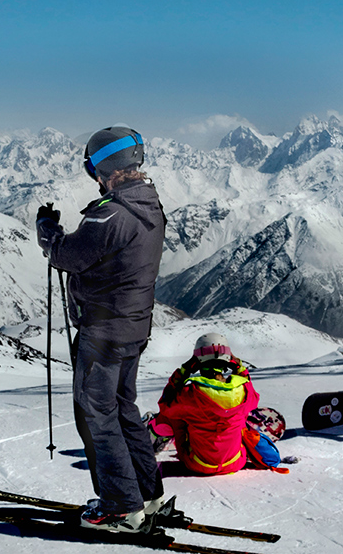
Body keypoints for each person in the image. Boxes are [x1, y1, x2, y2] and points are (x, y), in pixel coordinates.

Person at [36, 126, 166, 534]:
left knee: (98, 415)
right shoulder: (148, 203)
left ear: (102, 166)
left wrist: (46, 228)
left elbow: (66, 255)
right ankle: (147, 495)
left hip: (105, 331)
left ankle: (120, 508)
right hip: (134, 327)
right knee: (123, 408)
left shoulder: (110, 213)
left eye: (91, 166)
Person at [151, 333, 262, 476]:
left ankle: (156, 436)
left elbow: (165, 405)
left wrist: (184, 371)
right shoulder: (244, 390)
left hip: (197, 464)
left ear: (197, 362)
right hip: (235, 462)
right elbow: (253, 398)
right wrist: (239, 367)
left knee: (174, 414)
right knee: (240, 414)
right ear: (228, 360)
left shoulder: (190, 393)